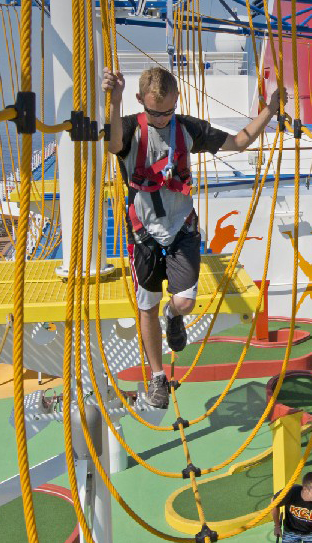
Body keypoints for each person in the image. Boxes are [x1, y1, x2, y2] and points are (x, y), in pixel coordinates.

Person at [105, 65, 284, 414]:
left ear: (177, 102)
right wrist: (113, 101)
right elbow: (112, 143)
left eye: (168, 111)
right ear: (140, 101)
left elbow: (240, 141)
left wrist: (271, 109)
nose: (161, 119)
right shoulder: (130, 129)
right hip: (144, 234)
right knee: (146, 305)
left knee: (185, 301)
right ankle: (158, 376)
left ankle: (175, 315)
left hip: (181, 230)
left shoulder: (186, 129)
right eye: (154, 112)